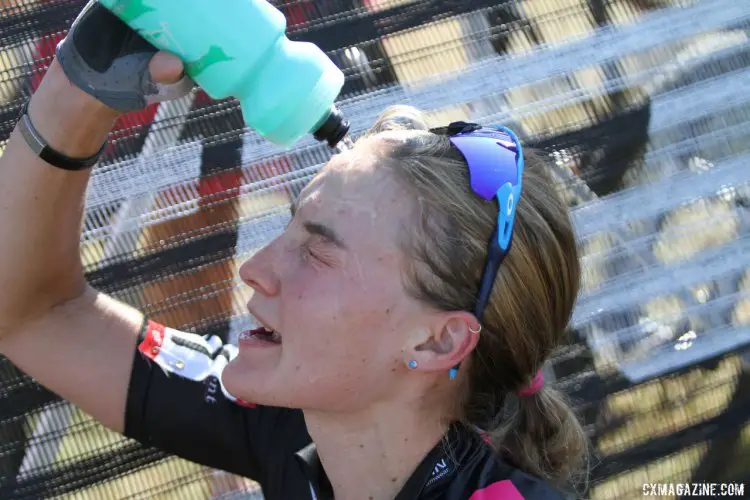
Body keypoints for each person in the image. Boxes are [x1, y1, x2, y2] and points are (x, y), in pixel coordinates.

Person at [0, 4, 587, 500]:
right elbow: (34, 315)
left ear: (438, 341)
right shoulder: (301, 429)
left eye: (319, 252)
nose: (255, 271)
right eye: (292, 226)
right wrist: (76, 90)